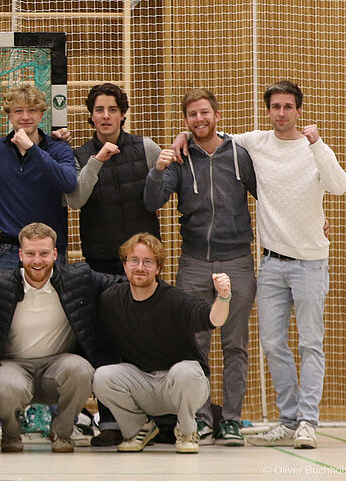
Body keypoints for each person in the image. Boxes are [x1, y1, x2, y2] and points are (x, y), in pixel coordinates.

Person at [231, 81, 345, 449]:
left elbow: (339, 186)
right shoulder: (256, 142)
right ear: (268, 111)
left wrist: (318, 144)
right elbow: (216, 139)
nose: (281, 113)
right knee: (272, 343)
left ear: (299, 110)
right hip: (271, 265)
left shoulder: (314, 148)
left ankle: (308, 422)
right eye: (275, 106)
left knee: (311, 343)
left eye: (288, 107)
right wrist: (185, 136)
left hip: (311, 264)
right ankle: (289, 418)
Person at [144, 88, 256, 446]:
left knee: (235, 345)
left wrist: (314, 221)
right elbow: (152, 200)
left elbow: (269, 196)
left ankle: (232, 421)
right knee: (195, 346)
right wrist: (158, 168)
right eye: (192, 114)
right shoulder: (179, 158)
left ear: (217, 115)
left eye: (204, 112)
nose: (199, 119)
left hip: (238, 261)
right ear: (186, 120)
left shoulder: (239, 154)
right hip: (193, 263)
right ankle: (203, 419)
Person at [61, 83, 161, 445]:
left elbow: (158, 196)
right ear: (90, 116)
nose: (106, 116)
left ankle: (155, 419)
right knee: (104, 343)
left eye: (112, 109)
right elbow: (75, 200)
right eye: (99, 110)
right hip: (100, 262)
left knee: (145, 341)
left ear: (122, 114)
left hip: (141, 266)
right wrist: (97, 161)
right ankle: (110, 422)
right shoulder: (79, 155)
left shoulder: (146, 148)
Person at [0, 222, 118, 453]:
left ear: (54, 254)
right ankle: (10, 434)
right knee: (5, 387)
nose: (37, 261)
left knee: (82, 370)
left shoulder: (78, 278)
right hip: (14, 366)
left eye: (44, 253)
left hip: (58, 365)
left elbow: (118, 284)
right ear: (20, 255)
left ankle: (62, 432)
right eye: (30, 254)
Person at [93, 233, 233, 454]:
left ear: (158, 267)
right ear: (125, 265)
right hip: (143, 386)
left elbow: (213, 319)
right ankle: (140, 428)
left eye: (148, 262)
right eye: (134, 261)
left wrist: (223, 296)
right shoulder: (111, 300)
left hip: (182, 384)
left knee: (184, 372)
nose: (140, 267)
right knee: (102, 377)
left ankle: (187, 431)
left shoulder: (174, 299)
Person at [0, 83, 77, 268]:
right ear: (9, 116)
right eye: (18, 111)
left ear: (41, 115)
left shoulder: (59, 148)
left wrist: (32, 149)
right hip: (10, 248)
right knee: (1, 289)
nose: (25, 117)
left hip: (50, 247)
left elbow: (69, 183)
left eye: (32, 110)